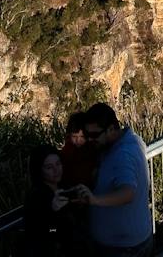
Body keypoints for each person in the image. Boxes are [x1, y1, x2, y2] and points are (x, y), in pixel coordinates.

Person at [81, 102, 154, 256]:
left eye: (94, 135)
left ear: (112, 129)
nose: (89, 140)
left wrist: (94, 200)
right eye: (87, 135)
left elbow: (128, 193)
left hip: (123, 248)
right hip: (134, 240)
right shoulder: (133, 139)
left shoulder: (122, 155)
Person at [22, 146, 77, 256]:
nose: (56, 170)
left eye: (58, 163)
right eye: (49, 167)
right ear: (39, 170)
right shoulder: (36, 196)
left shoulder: (63, 186)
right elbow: (44, 231)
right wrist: (53, 212)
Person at [61, 110, 98, 190]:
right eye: (74, 137)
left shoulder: (94, 150)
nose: (78, 140)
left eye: (82, 137)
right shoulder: (67, 151)